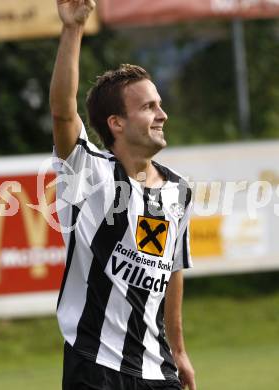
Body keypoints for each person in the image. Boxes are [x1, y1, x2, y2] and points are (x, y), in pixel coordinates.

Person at [50, 1, 196, 389]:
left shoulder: (179, 190)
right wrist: (73, 30)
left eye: (160, 105)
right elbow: (63, 114)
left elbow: (173, 268)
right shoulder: (88, 173)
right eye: (149, 107)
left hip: (158, 370)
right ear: (116, 122)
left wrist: (179, 350)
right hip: (95, 367)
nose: (162, 114)